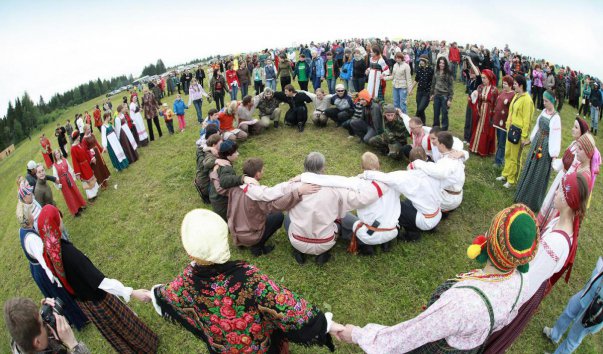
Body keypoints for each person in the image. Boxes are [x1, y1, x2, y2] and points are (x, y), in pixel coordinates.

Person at [332, 204, 539, 353]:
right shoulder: (522, 281)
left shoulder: (462, 304)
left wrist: (358, 335)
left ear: (490, 241)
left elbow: (406, 337)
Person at [148, 209, 335, 353]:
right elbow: (286, 305)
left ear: (189, 251)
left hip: (221, 347)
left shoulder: (185, 281)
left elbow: (164, 295)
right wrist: (325, 325)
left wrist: (148, 293)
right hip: (259, 348)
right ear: (224, 240)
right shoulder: (248, 276)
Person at [484, 172, 589, 353]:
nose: (555, 193)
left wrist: (508, 302)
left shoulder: (555, 244)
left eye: (559, 191)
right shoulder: (561, 220)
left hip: (523, 291)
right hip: (526, 283)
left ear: (567, 200)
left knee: (492, 333)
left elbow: (530, 277)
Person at [36, 205, 158, 353]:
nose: (62, 219)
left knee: (114, 333)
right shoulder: (69, 254)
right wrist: (132, 292)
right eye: (59, 217)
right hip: (99, 300)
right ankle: (147, 347)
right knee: (123, 325)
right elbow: (100, 282)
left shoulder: (49, 253)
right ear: (55, 224)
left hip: (86, 304)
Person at [285, 152, 385, 265]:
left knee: (288, 217)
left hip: (298, 241)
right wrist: (380, 185)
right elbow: (360, 200)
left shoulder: (292, 187)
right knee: (345, 217)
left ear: (304, 166)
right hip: (325, 242)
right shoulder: (336, 190)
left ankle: (299, 250)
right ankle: (360, 241)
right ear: (323, 168)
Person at [15, 180, 88, 330]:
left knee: (55, 295)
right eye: (31, 215)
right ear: (28, 219)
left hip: (36, 269)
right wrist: (55, 278)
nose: (33, 216)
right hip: (43, 270)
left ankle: (70, 318)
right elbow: (42, 260)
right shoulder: (33, 239)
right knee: (59, 293)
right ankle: (78, 320)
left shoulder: (22, 231)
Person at [213, 158, 318, 256]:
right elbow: (277, 204)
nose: (264, 171)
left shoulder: (233, 187)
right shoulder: (257, 196)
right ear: (258, 174)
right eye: (262, 170)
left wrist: (215, 171)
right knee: (278, 216)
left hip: (235, 232)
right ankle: (257, 247)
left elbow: (218, 187)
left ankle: (242, 243)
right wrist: (298, 192)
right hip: (249, 236)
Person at [299, 152, 398, 255]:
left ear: (362, 167)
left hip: (370, 233)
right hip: (392, 230)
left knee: (342, 215)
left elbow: (334, 181)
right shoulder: (394, 181)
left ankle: (364, 245)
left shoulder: (358, 183)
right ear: (379, 165)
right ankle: (383, 243)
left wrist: (303, 177)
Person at [542, 257, 603, 353]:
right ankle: (554, 334)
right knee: (569, 311)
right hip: (588, 293)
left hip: (595, 309)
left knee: (574, 337)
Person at [514, 90, 561, 211]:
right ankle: (522, 195)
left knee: (539, 172)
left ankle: (532, 201)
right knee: (530, 166)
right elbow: (537, 126)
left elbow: (556, 137)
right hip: (536, 143)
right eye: (544, 100)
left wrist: (554, 155)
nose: (544, 103)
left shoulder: (556, 118)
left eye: (546, 101)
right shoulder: (544, 112)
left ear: (552, 101)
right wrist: (530, 139)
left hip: (545, 148)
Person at [4, 297, 90, 353]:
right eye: (43, 324)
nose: (46, 322)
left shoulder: (22, 340)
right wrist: (73, 344)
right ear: (37, 342)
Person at [412, 131, 466, 213]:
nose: (435, 145)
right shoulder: (455, 153)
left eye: (437, 143)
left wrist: (417, 163)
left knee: (418, 193)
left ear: (442, 145)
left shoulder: (449, 160)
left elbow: (439, 172)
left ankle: (441, 212)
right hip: (454, 195)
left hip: (448, 200)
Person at [497, 75, 535, 188]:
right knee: (508, 153)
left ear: (521, 85)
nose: (513, 86)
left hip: (518, 132)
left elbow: (527, 119)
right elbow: (511, 112)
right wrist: (508, 124)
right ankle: (505, 174)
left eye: (515, 84)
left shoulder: (527, 100)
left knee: (515, 157)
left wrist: (524, 136)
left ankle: (512, 180)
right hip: (511, 129)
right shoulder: (516, 95)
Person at [209, 140, 247, 220]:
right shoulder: (227, 168)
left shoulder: (219, 162)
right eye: (235, 152)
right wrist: (242, 178)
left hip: (216, 201)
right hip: (223, 207)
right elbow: (224, 181)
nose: (238, 154)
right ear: (228, 155)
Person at [469, 69, 498, 156]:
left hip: (489, 113)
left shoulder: (494, 90)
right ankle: (475, 147)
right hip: (481, 110)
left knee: (486, 129)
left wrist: (493, 115)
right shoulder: (480, 87)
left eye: (484, 78)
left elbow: (495, 103)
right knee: (478, 127)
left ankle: (483, 150)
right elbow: (477, 99)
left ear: (489, 78)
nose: (483, 80)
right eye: (482, 78)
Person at [50, 149, 87, 216]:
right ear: (54, 156)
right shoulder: (54, 166)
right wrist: (59, 184)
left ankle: (79, 206)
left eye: (58, 153)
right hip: (63, 182)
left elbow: (70, 169)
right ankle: (75, 211)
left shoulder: (64, 160)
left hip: (69, 178)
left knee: (75, 192)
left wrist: (74, 176)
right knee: (69, 196)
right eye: (56, 154)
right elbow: (55, 176)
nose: (57, 154)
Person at [493, 75, 516, 168]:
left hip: (504, 123)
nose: (503, 85)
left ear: (510, 85)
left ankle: (499, 161)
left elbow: (512, 109)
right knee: (499, 141)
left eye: (505, 84)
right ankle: (498, 157)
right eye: (503, 83)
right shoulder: (502, 92)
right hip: (498, 121)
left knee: (502, 142)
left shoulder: (513, 95)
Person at [70, 132, 100, 201]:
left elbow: (86, 152)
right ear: (76, 137)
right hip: (81, 167)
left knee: (91, 177)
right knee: (86, 180)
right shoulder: (73, 148)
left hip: (86, 164)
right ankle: (91, 196)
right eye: (78, 136)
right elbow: (74, 161)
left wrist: (91, 159)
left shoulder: (80, 144)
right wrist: (77, 172)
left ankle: (94, 192)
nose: (80, 137)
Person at [195, 132, 221, 204]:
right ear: (214, 145)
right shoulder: (209, 157)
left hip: (203, 183)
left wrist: (209, 148)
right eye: (220, 143)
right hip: (206, 188)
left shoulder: (207, 151)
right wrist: (218, 160)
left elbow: (199, 148)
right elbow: (208, 164)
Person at [82, 124, 111, 189]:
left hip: (97, 153)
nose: (90, 130)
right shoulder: (84, 140)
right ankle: (101, 184)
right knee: (97, 169)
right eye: (88, 129)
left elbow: (96, 143)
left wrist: (101, 149)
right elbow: (85, 150)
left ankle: (105, 180)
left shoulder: (92, 135)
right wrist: (91, 157)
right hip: (92, 156)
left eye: (90, 128)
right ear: (85, 130)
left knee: (101, 166)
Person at [430, 57, 454, 131]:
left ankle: (444, 130)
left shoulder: (448, 73)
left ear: (445, 64)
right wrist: (432, 94)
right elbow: (433, 83)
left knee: (444, 114)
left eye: (443, 63)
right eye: (440, 63)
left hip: (445, 96)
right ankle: (436, 129)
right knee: (436, 113)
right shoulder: (436, 71)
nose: (441, 64)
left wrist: (450, 99)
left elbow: (451, 86)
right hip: (436, 95)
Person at [412, 55, 433, 124]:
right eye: (420, 60)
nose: (421, 62)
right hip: (419, 92)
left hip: (427, 93)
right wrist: (411, 89)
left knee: (420, 109)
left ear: (426, 61)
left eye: (422, 61)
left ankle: (414, 121)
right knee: (420, 109)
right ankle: (423, 124)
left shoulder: (431, 70)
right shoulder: (419, 69)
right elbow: (416, 80)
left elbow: (433, 82)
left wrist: (433, 94)